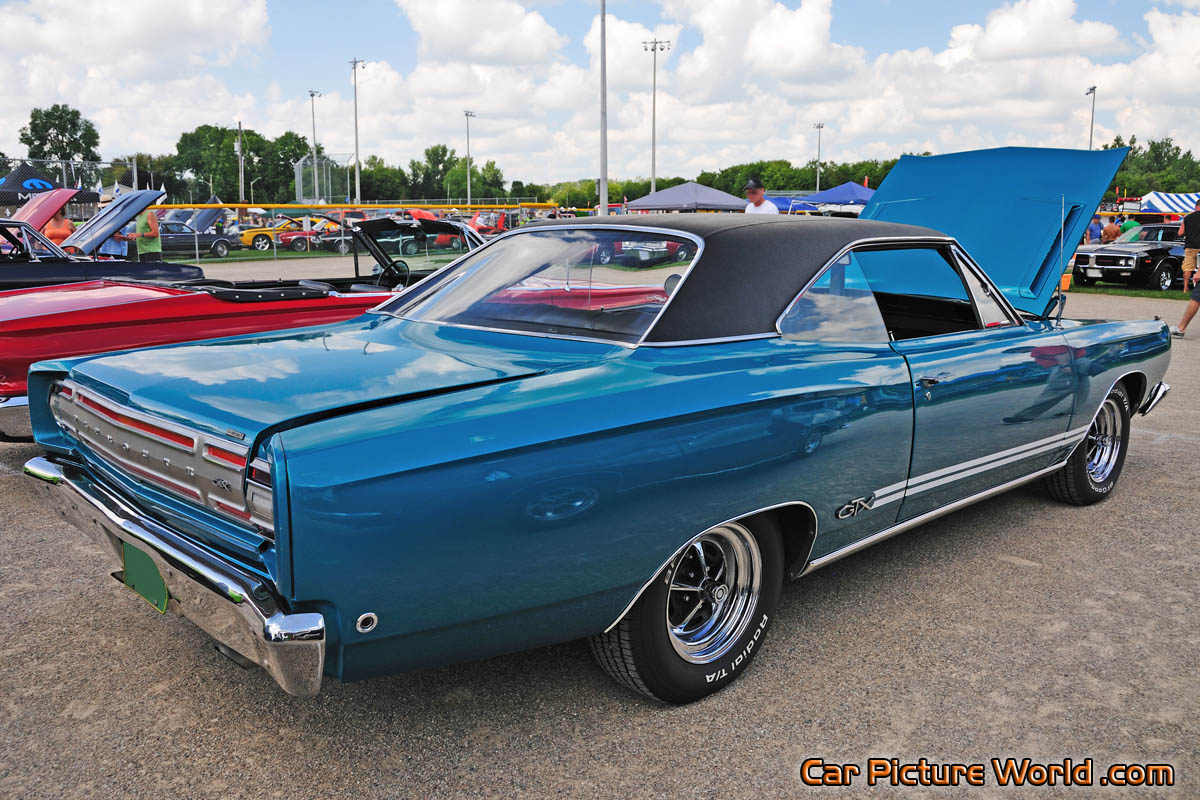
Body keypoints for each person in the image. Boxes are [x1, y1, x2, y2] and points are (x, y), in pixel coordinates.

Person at [1170, 200, 1200, 338]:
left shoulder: (1187, 217)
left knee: (1188, 267)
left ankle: (1185, 287)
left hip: (1190, 246)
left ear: (1196, 206)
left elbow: (1180, 233)